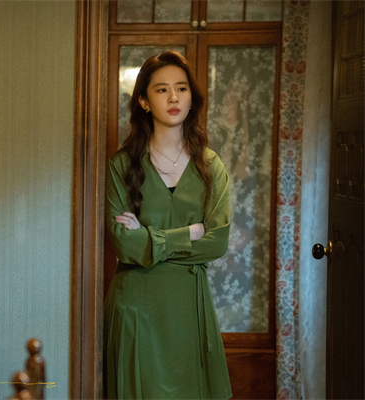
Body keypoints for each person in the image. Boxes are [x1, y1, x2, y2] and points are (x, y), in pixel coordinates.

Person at [103, 51, 233, 399]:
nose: (173, 97)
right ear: (144, 102)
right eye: (161, 90)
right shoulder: (120, 166)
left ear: (192, 98)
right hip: (136, 306)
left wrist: (148, 238)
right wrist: (191, 232)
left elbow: (217, 242)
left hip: (189, 306)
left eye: (181, 88)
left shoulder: (211, 166)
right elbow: (125, 245)